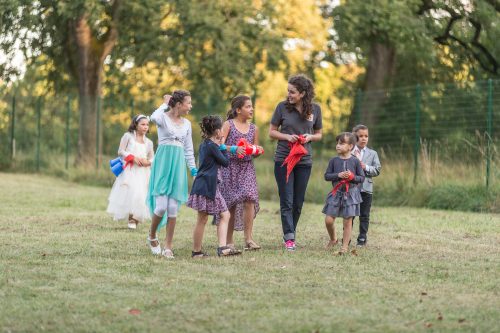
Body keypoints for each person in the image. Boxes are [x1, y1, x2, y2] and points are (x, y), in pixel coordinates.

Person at [269, 74, 323, 251]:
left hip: (304, 161)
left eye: (292, 92)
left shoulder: (315, 109)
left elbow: (319, 134)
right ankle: (289, 237)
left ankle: (291, 232)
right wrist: (286, 137)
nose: (289, 95)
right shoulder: (282, 108)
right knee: (287, 200)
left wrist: (310, 137)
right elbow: (272, 132)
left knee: (298, 203)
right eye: (288, 91)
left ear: (303, 93)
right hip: (283, 160)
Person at [146, 91, 197, 258]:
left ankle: (168, 246)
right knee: (161, 206)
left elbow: (189, 150)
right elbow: (153, 117)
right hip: (163, 163)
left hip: (178, 165)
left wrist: (193, 170)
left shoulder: (187, 124)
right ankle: (152, 236)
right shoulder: (163, 118)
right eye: (188, 103)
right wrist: (165, 103)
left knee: (173, 208)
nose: (190, 106)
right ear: (178, 104)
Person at [187, 115, 242, 258]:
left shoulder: (206, 144)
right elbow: (225, 162)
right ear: (218, 132)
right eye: (221, 129)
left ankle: (219, 248)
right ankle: (199, 251)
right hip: (206, 185)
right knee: (208, 218)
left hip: (206, 184)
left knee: (219, 215)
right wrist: (223, 146)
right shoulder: (213, 146)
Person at [216, 95, 262, 251]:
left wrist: (257, 150)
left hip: (247, 167)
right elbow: (218, 145)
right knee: (232, 203)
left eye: (251, 106)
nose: (251, 109)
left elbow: (254, 150)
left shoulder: (254, 128)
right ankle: (228, 241)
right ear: (238, 110)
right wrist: (233, 148)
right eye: (248, 106)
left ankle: (249, 239)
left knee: (250, 199)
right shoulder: (228, 125)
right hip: (229, 167)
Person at [107, 115, 154, 229]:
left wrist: (148, 162)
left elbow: (152, 157)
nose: (145, 127)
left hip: (143, 172)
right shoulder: (127, 136)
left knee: (141, 195)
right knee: (130, 193)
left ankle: (134, 220)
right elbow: (121, 151)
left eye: (147, 125)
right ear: (136, 125)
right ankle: (131, 218)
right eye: (142, 124)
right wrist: (132, 157)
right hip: (129, 170)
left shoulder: (148, 142)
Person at [323, 132, 365, 255]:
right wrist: (338, 175)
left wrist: (352, 177)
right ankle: (333, 239)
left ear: (350, 146)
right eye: (337, 143)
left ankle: (345, 247)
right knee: (329, 220)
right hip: (336, 193)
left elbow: (361, 178)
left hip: (351, 194)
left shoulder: (355, 161)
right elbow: (327, 176)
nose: (338, 146)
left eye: (341, 143)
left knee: (347, 222)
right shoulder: (333, 161)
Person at [351, 124, 381, 247]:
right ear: (354, 137)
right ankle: (346, 238)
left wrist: (366, 167)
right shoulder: (349, 151)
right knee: (350, 214)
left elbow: (377, 170)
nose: (364, 138)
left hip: (366, 189)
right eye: (361, 136)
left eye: (366, 136)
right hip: (352, 188)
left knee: (364, 215)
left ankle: (362, 237)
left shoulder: (373, 153)